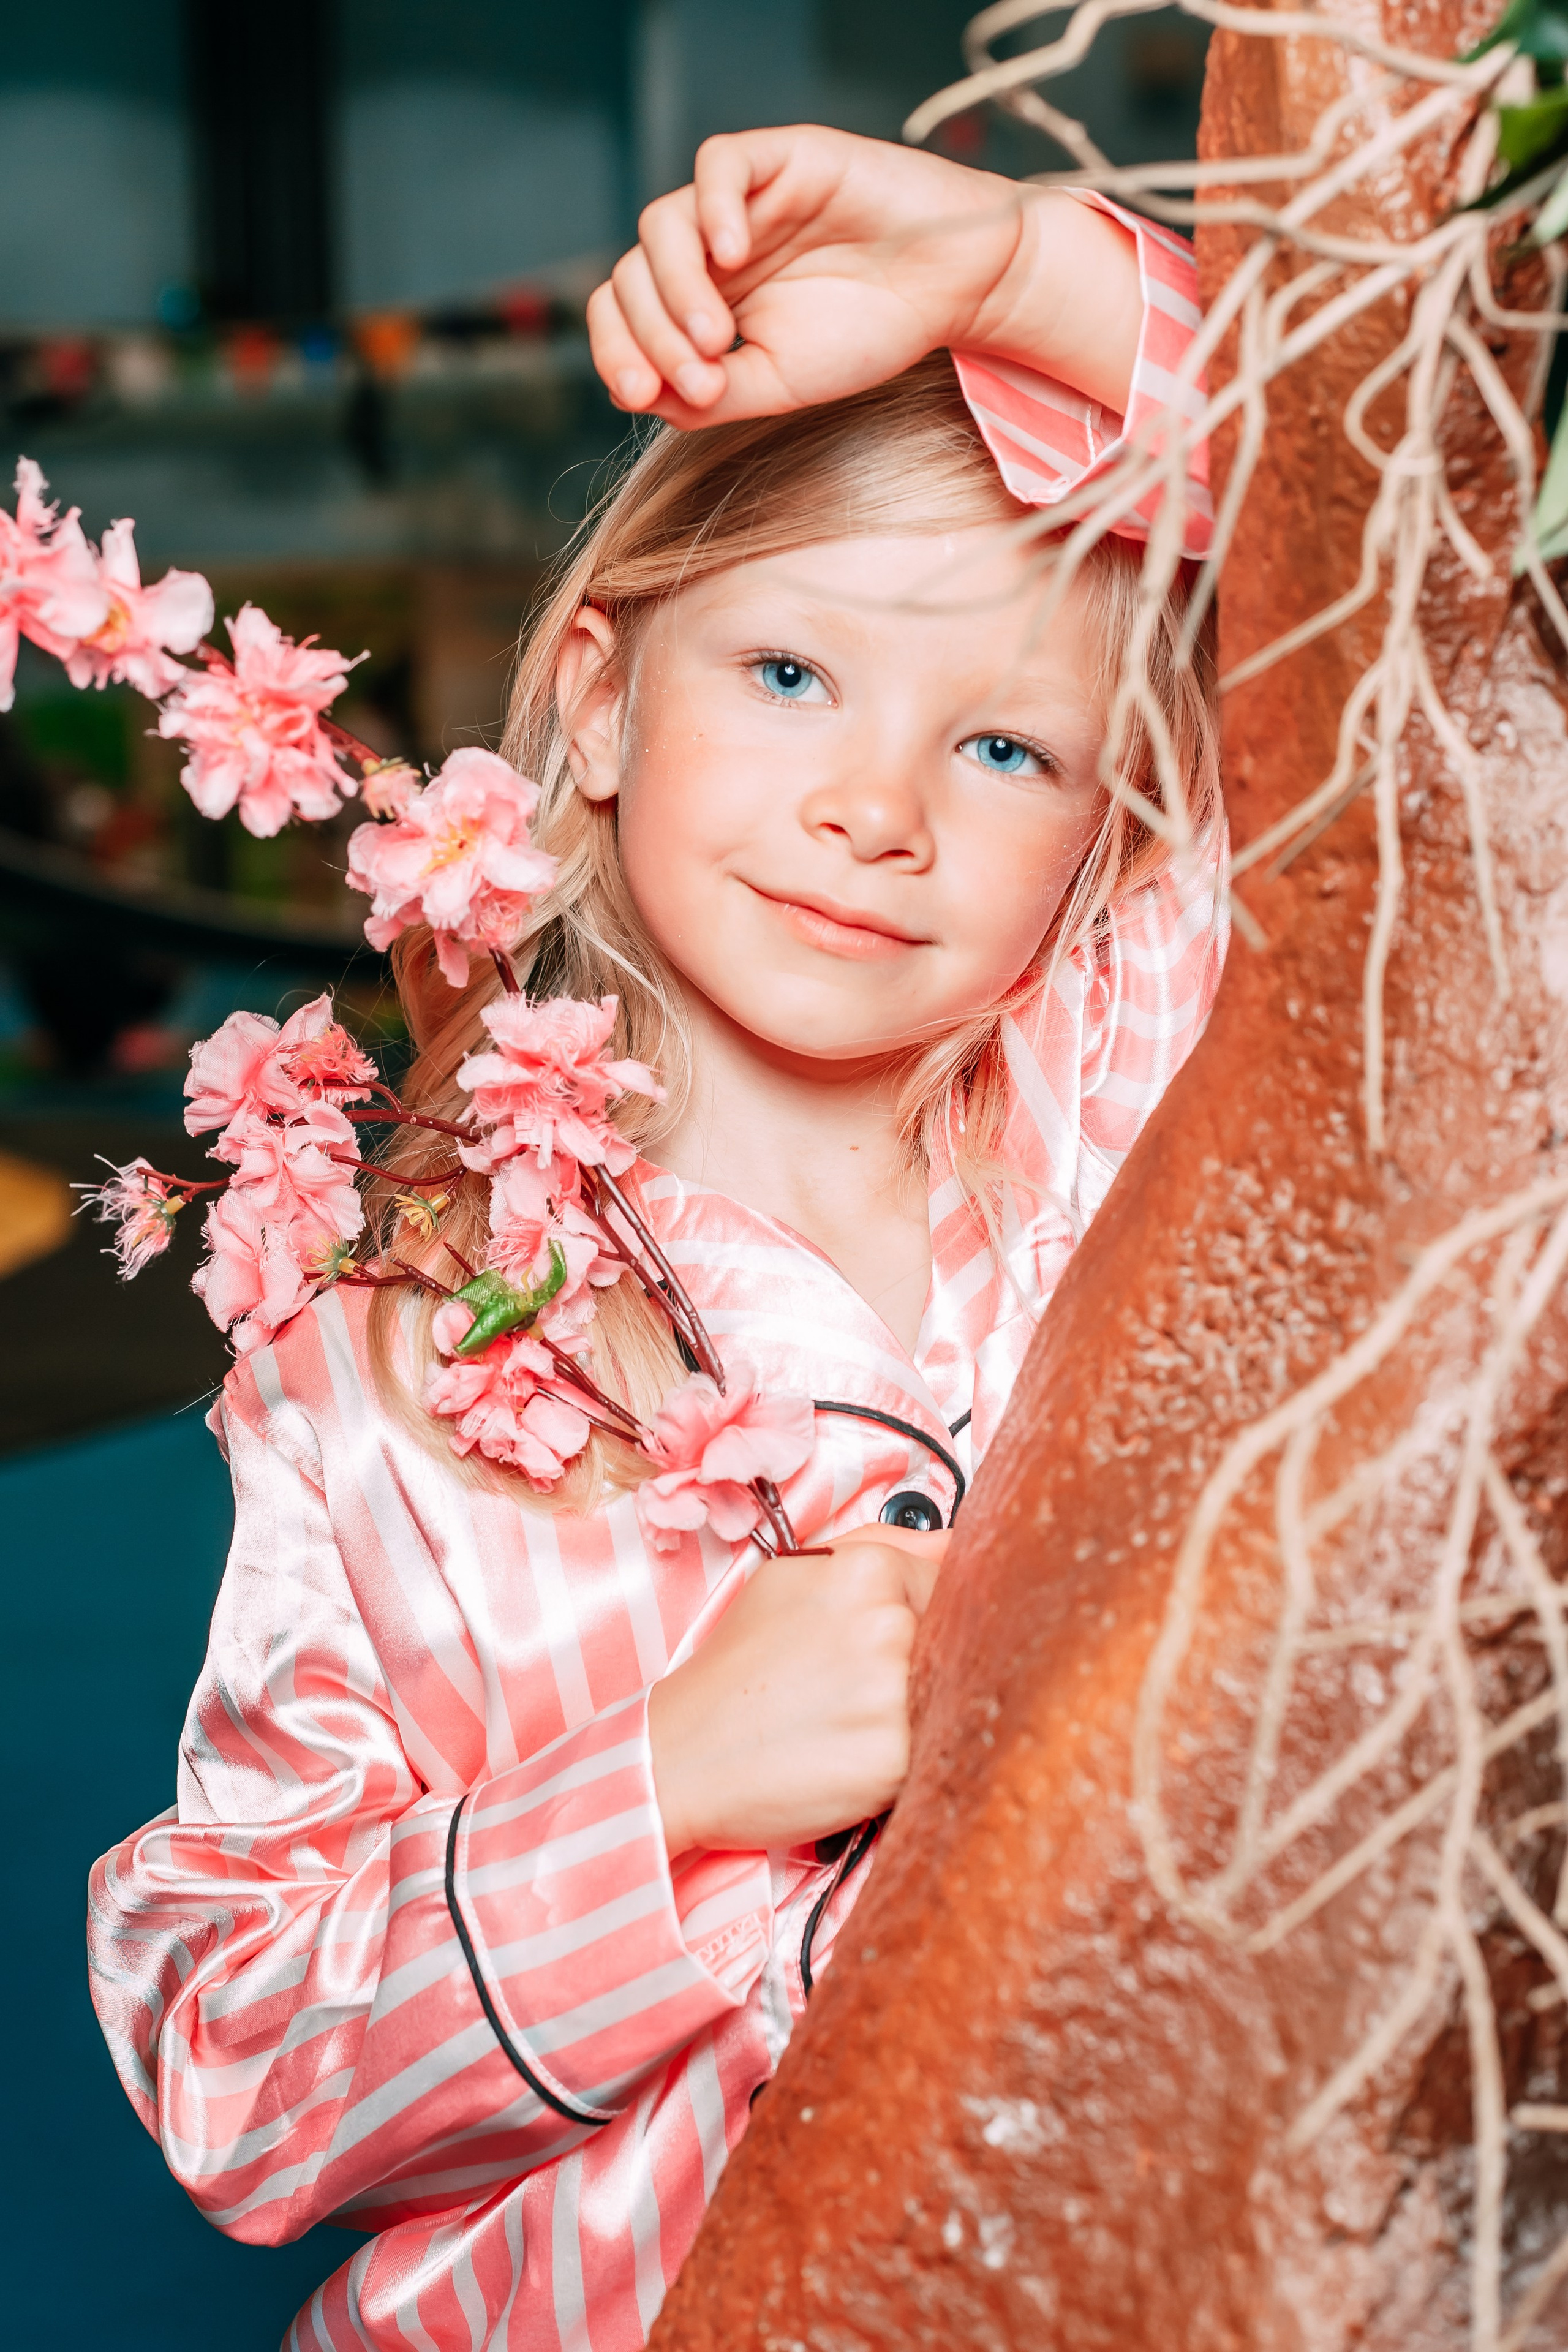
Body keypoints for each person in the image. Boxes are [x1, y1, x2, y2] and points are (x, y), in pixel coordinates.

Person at [88, 124, 1223, 2350]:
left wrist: (1020, 275)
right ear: (598, 699)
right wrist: (664, 1791)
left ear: (1114, 830)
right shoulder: (380, 1362)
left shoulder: (1131, 1102)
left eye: (1007, 746)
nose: (876, 807)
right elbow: (222, 2055)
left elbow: (1437, 578)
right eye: (790, 676)